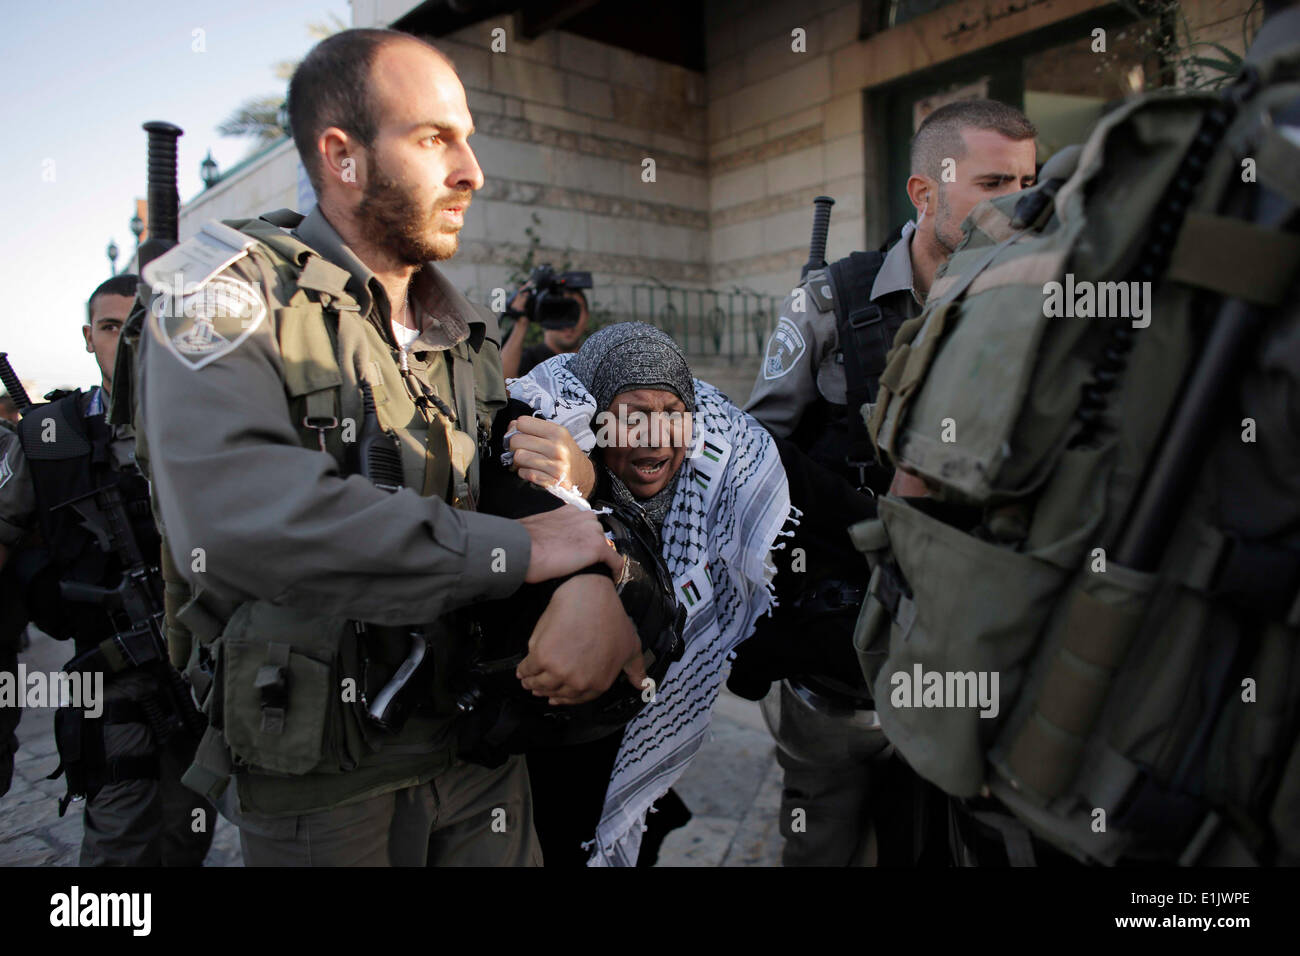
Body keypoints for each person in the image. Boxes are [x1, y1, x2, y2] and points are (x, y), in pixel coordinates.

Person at [131, 28, 636, 867]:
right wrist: (518, 552)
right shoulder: (219, 293)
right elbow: (239, 519)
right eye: (436, 138)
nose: (472, 170)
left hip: (480, 745)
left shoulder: (462, 328)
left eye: (468, 138)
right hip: (329, 777)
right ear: (343, 156)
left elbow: (514, 474)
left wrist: (589, 571)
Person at [738, 99, 1038, 867]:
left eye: (1027, 182)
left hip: (972, 655)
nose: (1016, 203)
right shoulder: (830, 302)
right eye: (992, 181)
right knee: (824, 841)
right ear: (924, 192)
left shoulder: (1034, 306)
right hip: (838, 661)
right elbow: (753, 450)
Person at [506, 322, 793, 865]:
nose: (656, 437)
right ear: (593, 420)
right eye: (633, 415)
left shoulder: (718, 484)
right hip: (558, 759)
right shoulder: (541, 477)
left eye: (671, 414)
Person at [0, 274, 214, 865]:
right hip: (110, 673)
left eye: (139, 328)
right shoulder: (49, 437)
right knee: (119, 838)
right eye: (110, 328)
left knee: (186, 831)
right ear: (87, 337)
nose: (125, 342)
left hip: (195, 672)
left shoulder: (201, 425)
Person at [500, 285, 590, 378]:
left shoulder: (594, 361)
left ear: (587, 316)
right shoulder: (526, 360)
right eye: (558, 309)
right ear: (543, 313)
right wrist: (521, 321)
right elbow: (503, 385)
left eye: (575, 310)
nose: (568, 318)